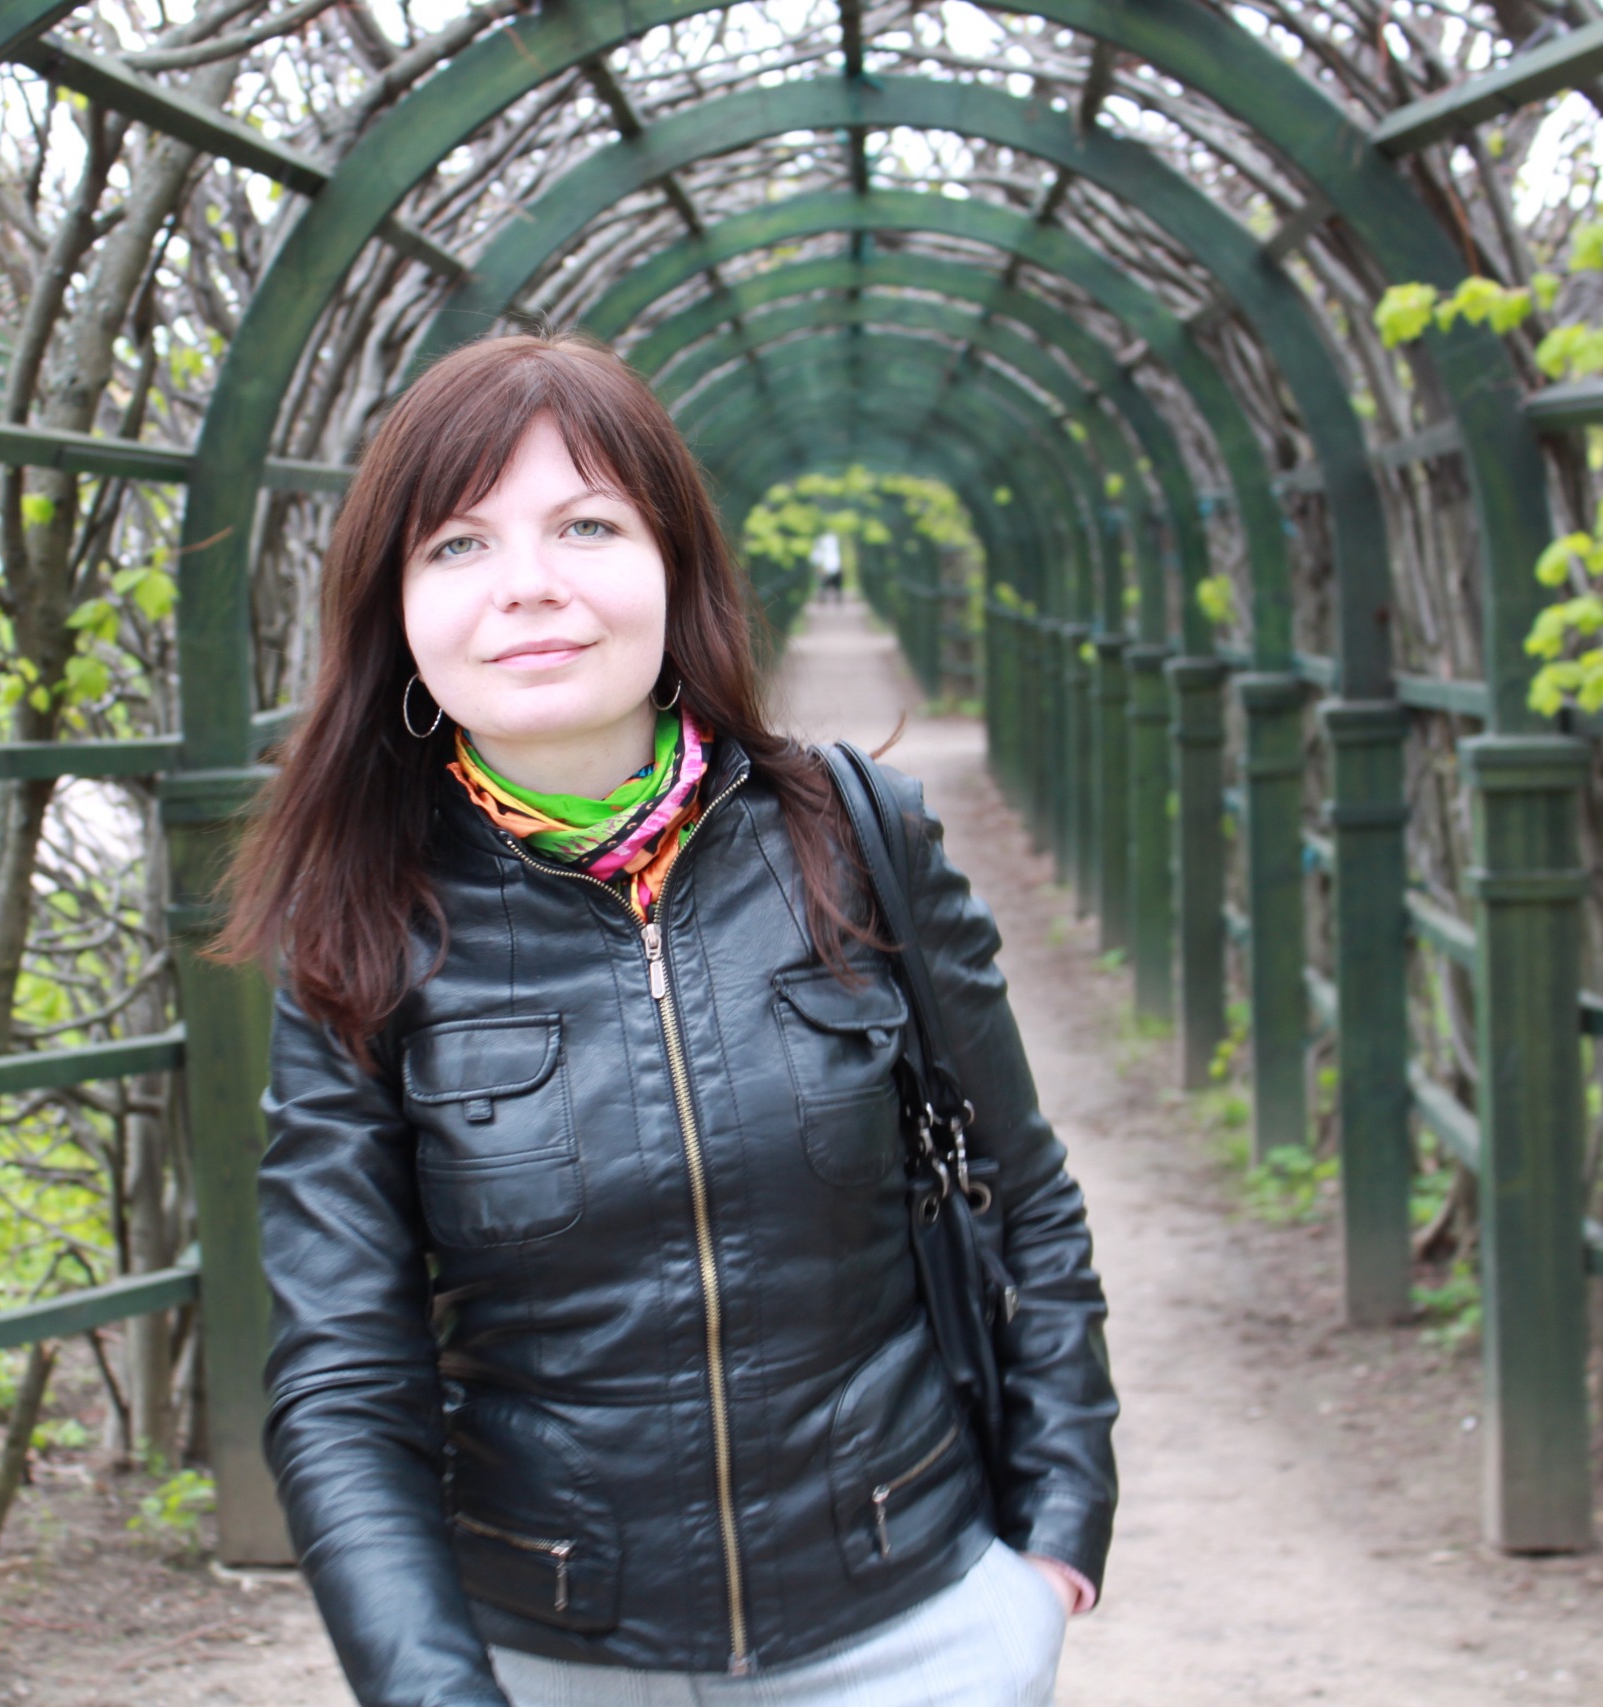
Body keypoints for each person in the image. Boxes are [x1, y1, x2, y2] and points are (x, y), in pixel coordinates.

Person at [219, 334, 1117, 1707]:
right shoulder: (363, 925)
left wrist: (1053, 1543)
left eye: (587, 525)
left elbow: (1024, 1193)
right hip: (550, 1655)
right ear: (394, 610)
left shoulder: (855, 837)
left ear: (674, 564)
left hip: (915, 1626)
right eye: (457, 544)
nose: (529, 583)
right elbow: (344, 1378)